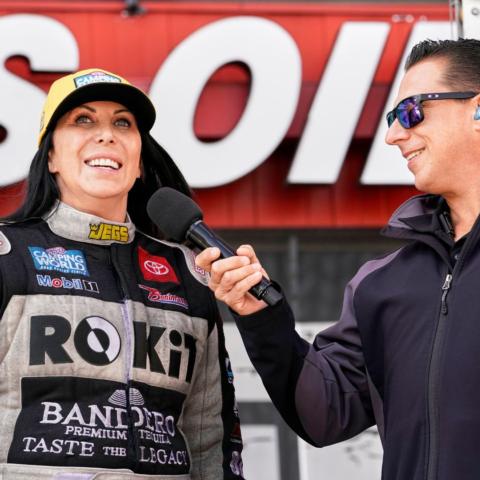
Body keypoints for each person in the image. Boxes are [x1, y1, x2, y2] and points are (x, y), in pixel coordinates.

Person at [195, 38, 480, 480]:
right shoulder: (383, 284)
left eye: (411, 112)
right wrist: (263, 318)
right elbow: (324, 413)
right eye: (392, 119)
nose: (393, 135)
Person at [0, 68, 244, 479]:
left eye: (122, 123)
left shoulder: (189, 272)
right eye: (82, 120)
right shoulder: (8, 254)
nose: (106, 135)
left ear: (138, 164)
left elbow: (211, 437)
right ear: (52, 156)